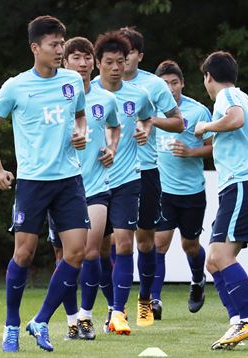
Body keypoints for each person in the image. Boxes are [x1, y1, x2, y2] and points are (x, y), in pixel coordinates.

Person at [0, 15, 89, 352]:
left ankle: (40, 320)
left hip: (69, 181)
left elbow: (80, 115)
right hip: (32, 182)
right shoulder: (16, 86)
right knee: (24, 253)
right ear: (35, 48)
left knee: (75, 253)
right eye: (54, 45)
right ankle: (11, 325)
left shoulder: (72, 81)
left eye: (62, 43)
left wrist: (82, 131)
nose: (60, 50)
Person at [194, 51, 248, 350]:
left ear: (208, 76)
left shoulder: (226, 98)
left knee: (221, 258)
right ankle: (237, 322)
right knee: (213, 262)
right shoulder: (244, 95)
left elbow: (236, 120)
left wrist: (206, 127)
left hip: (242, 186)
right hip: (245, 185)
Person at [45, 36, 121, 341]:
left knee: (90, 251)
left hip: (96, 187)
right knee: (63, 259)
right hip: (60, 188)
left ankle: (87, 317)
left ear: (94, 62)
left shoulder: (106, 100)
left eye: (87, 57)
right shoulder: (54, 98)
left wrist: (112, 147)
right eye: (76, 57)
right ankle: (72, 319)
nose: (82, 63)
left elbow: (115, 126)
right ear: (66, 63)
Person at [118, 27, 184, 327]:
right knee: (114, 243)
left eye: (128, 53)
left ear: (139, 56)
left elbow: (178, 122)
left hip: (145, 172)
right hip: (108, 174)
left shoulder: (154, 85)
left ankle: (144, 300)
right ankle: (115, 309)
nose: (122, 60)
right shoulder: (97, 85)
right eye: (117, 54)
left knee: (145, 243)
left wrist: (149, 120)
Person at [92, 31, 154, 335]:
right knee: (99, 250)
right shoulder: (85, 94)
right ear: (97, 63)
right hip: (94, 183)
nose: (116, 67)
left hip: (128, 179)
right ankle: (111, 304)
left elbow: (147, 118)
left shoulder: (138, 95)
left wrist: (144, 128)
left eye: (121, 61)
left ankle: (119, 312)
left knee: (124, 244)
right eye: (110, 62)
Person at [150, 60, 213, 319]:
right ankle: (153, 300)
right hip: (162, 192)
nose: (170, 88)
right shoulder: (150, 111)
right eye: (164, 84)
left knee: (190, 245)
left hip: (191, 192)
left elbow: (214, 147)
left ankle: (198, 281)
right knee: (159, 244)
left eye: (174, 83)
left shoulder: (198, 112)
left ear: (183, 84)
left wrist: (191, 152)